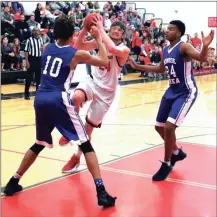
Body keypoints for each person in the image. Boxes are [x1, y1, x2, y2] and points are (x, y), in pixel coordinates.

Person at [4, 14, 116, 207]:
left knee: (39, 143)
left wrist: (80, 32)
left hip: (40, 98)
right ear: (71, 34)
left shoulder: (47, 48)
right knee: (85, 144)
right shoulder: (75, 54)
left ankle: (13, 181)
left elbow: (69, 44)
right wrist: (98, 37)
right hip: (58, 99)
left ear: (54, 32)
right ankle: (101, 192)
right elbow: (104, 60)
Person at [129, 20, 214, 181]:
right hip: (171, 91)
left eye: (171, 29)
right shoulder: (166, 49)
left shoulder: (184, 46)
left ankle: (167, 163)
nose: (167, 31)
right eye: (167, 28)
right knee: (159, 127)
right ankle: (176, 153)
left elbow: (202, 58)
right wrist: (139, 67)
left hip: (185, 92)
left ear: (179, 33)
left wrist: (205, 46)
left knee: (169, 127)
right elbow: (161, 69)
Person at [59, 18, 130, 173]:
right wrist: (85, 28)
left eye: (119, 29)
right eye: (113, 28)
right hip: (92, 81)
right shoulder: (100, 41)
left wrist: (99, 30)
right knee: (75, 97)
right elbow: (77, 46)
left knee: (87, 131)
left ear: (123, 34)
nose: (115, 30)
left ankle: (76, 157)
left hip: (106, 93)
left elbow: (111, 49)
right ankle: (71, 129)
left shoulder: (124, 49)